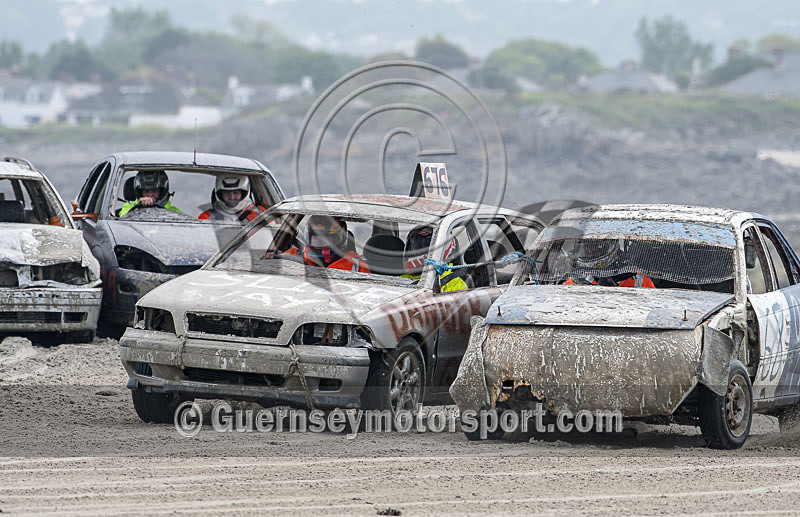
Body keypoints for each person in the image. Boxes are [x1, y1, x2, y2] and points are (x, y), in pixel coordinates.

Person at [284, 216, 370, 272]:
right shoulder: (291, 256)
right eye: (315, 238)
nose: (318, 242)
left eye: (324, 238)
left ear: (341, 239)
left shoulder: (357, 267)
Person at [402, 225, 468, 292]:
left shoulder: (455, 284)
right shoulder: (401, 278)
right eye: (416, 246)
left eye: (425, 247)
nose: (419, 253)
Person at [198, 175, 267, 222]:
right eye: (226, 193)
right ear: (220, 194)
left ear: (243, 193)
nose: (231, 197)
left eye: (235, 193)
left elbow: (273, 238)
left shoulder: (261, 214)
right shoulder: (206, 217)